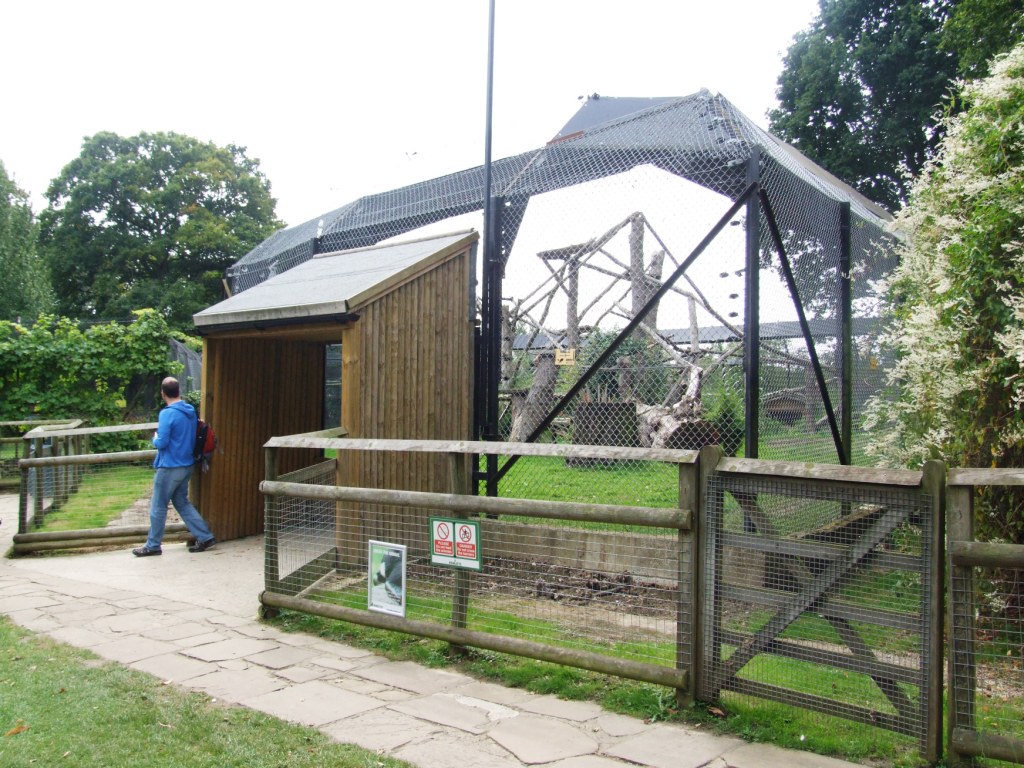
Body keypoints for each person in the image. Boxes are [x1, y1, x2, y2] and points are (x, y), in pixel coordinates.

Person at [133, 377, 216, 557]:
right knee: (182, 502)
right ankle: (205, 536)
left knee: (158, 506)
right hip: (187, 465)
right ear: (179, 391)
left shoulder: (167, 413)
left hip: (169, 466)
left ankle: (153, 545)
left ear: (163, 394)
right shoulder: (190, 411)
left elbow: (161, 443)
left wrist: (154, 437)